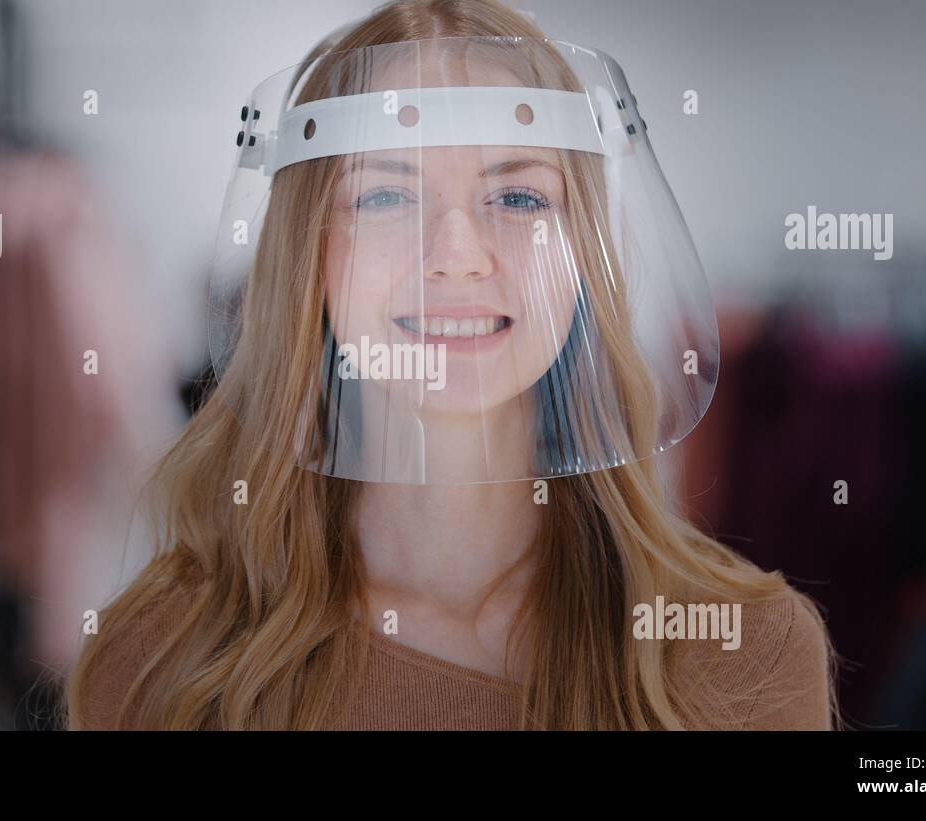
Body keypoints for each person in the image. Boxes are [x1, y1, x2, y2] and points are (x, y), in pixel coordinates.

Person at [68, 0, 837, 730]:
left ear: (583, 258)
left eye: (520, 198)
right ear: (309, 262)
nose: (458, 256)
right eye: (384, 198)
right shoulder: (167, 657)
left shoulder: (740, 653)